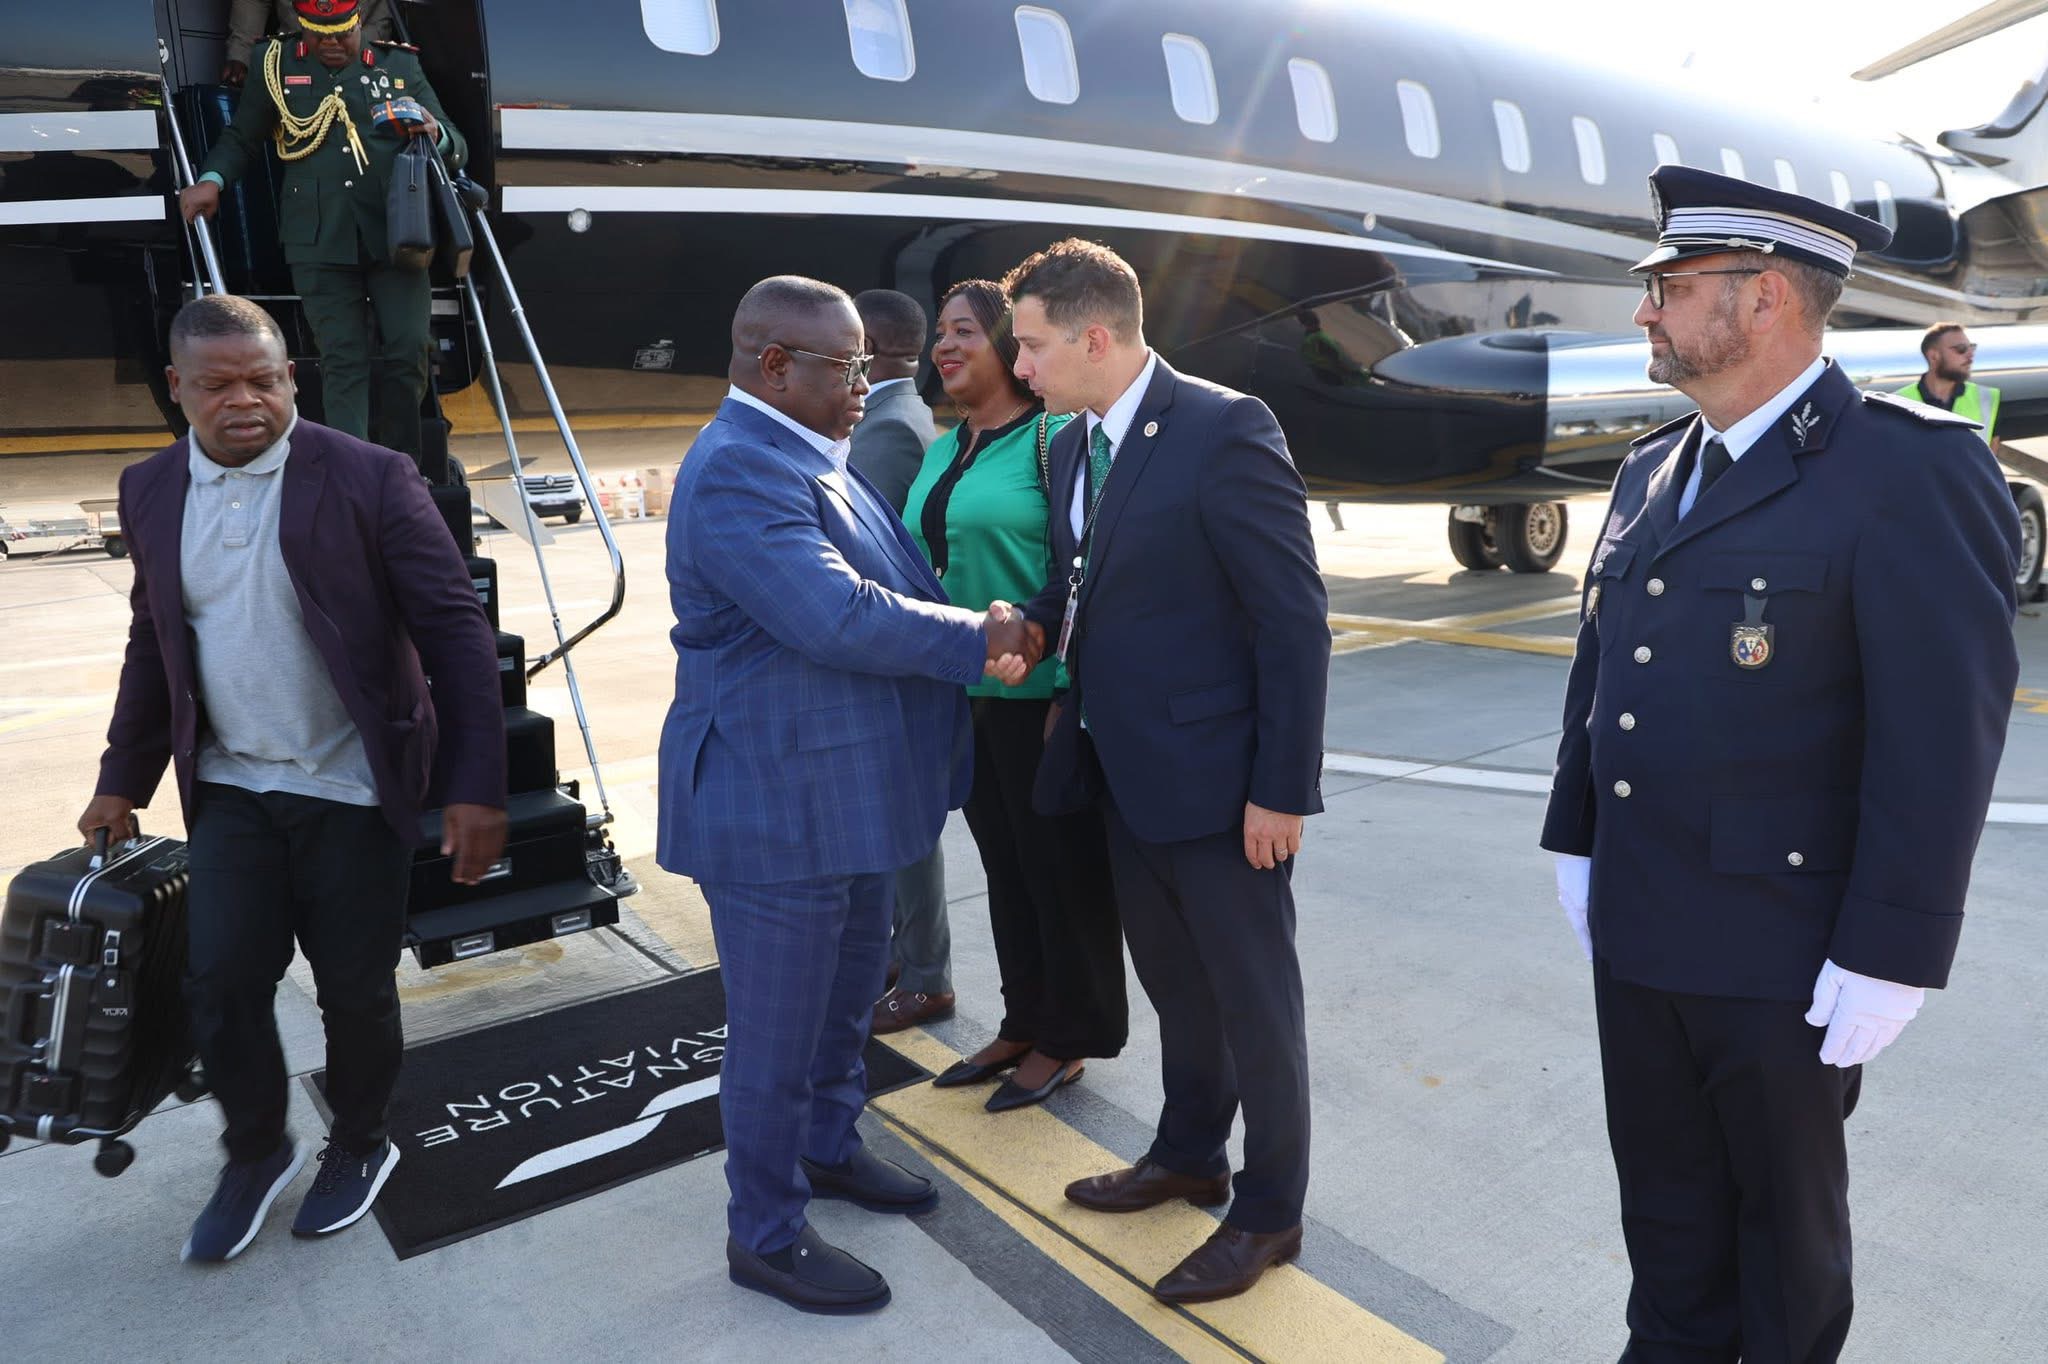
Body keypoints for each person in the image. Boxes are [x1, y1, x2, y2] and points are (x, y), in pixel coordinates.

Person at [1542, 166, 2020, 1362]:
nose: (1643, 310)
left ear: (1760, 298)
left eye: (1667, 287)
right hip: (1638, 922)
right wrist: (1575, 833)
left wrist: (1891, 949)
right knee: (1663, 1209)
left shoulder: (1905, 469)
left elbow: (1940, 733)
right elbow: (1601, 664)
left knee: (1783, 1237)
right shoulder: (1652, 464)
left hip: (1783, 949)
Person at [77, 294, 507, 1263]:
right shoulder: (150, 487)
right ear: (177, 388)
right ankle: (256, 1148)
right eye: (219, 384)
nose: (245, 401)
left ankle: (360, 1140)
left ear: (291, 379)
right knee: (221, 981)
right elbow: (153, 641)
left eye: (264, 380)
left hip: (351, 784)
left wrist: (475, 784)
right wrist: (121, 778)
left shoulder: (368, 476)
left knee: (354, 990)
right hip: (233, 784)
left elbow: (454, 634)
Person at [655, 275, 1038, 1316]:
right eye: (852, 365)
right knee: (776, 1038)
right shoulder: (738, 467)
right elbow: (834, 613)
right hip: (775, 808)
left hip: (847, 796)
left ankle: (827, 1147)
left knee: (841, 1008)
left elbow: (895, 582)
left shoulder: (807, 448)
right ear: (775, 364)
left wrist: (977, 618)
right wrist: (980, 636)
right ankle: (765, 1234)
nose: (872, 382)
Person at [1008, 239, 1330, 1304]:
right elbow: (1080, 583)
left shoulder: (1223, 427)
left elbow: (1292, 620)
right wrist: (1030, 621)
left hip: (1223, 786)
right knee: (1177, 988)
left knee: (1255, 1005)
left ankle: (1270, 1210)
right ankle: (1190, 1153)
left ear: (1095, 337)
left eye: (1033, 345)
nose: (1020, 367)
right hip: (1124, 774)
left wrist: (1279, 787)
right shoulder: (1067, 445)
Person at [899, 278, 1128, 1111]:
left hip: (1044, 697)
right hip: (967, 696)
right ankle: (1024, 1020)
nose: (944, 345)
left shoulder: (1054, 438)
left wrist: (1070, 685)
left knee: (1062, 874)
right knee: (1007, 870)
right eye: (940, 332)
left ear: (1008, 344)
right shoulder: (944, 448)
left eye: (965, 330)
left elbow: (1089, 565)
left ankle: (1071, 1035)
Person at [180, 0, 466, 459]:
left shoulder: (397, 65)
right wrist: (212, 180)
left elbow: (456, 143)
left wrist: (438, 134)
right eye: (319, 35)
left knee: (409, 350)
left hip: (396, 237)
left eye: (342, 34)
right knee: (343, 359)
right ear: (302, 28)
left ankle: (400, 465)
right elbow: (243, 136)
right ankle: (353, 471)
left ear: (358, 23)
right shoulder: (275, 63)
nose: (332, 45)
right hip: (318, 239)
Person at [847, 288, 954, 1036]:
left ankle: (924, 975)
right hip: (896, 652)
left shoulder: (887, 427)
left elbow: (869, 555)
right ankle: (898, 956)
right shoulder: (900, 414)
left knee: (905, 827)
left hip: (888, 657)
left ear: (871, 348)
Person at [221, 0, 393, 87]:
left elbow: (383, 10)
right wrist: (241, 54)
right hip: (292, 60)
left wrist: (359, 49)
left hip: (361, 65)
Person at [1899, 322, 2001, 454]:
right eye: (1961, 349)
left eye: (1972, 348)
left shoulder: (1987, 398)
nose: (1970, 356)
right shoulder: (1898, 402)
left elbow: (1991, 457)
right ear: (1934, 356)